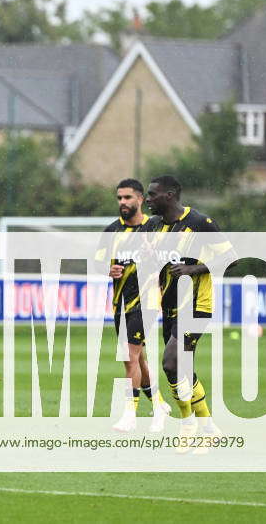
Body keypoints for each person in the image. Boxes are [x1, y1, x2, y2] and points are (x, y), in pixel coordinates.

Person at [145, 175, 233, 453]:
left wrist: (194, 269)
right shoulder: (155, 227)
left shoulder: (200, 223)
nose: (148, 199)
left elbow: (229, 257)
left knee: (171, 363)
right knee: (182, 367)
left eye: (152, 194)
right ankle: (210, 430)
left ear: (169, 195)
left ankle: (188, 424)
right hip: (169, 308)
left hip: (197, 305)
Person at [96, 179, 170, 433]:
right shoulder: (111, 232)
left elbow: (170, 262)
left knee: (129, 357)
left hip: (146, 302)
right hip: (120, 303)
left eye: (128, 198)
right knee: (139, 359)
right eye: (119, 198)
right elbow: (97, 263)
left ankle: (130, 413)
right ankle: (159, 405)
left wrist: (155, 259)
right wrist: (108, 269)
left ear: (140, 199)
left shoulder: (156, 228)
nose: (123, 203)